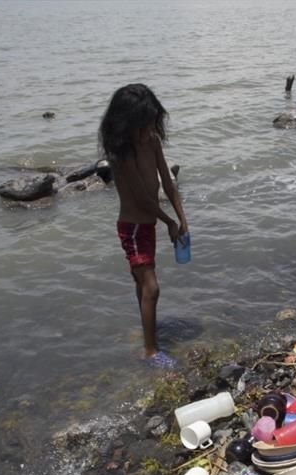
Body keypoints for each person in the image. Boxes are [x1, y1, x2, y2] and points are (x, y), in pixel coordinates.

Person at [100, 83, 189, 369]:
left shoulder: (151, 141)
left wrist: (182, 220)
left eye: (153, 121)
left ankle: (147, 334)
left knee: (143, 286)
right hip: (133, 228)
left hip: (148, 224)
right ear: (128, 122)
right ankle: (150, 351)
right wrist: (169, 222)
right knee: (151, 287)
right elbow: (140, 196)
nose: (151, 127)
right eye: (145, 123)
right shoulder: (121, 153)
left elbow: (168, 183)